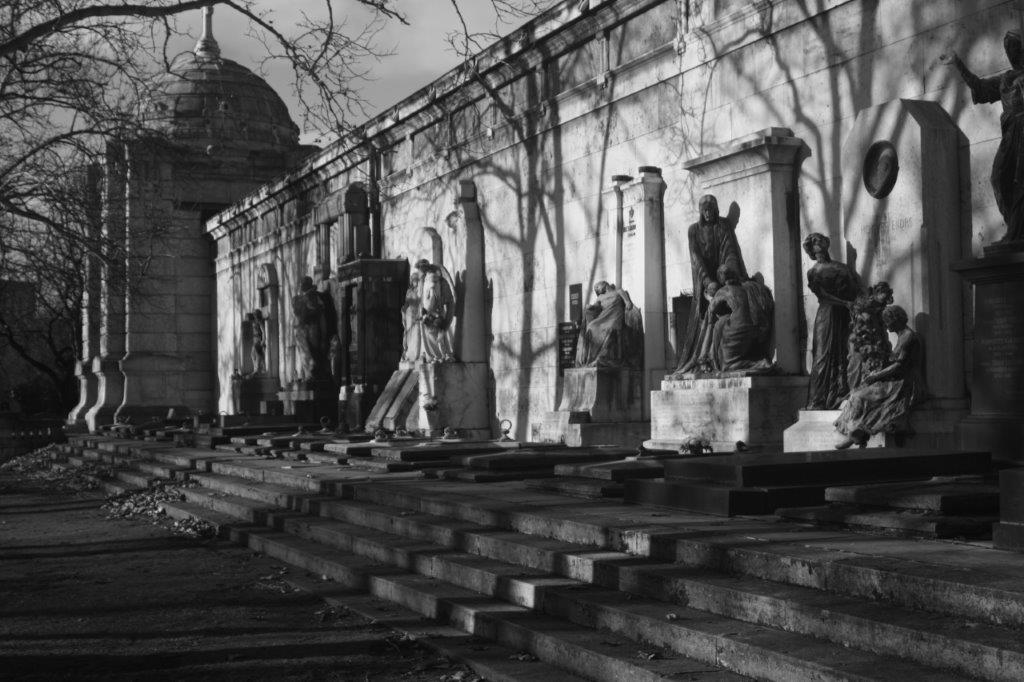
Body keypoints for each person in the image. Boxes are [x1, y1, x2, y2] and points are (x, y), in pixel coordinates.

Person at [943, 32, 1024, 242]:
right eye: (1009, 50)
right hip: (1011, 136)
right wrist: (958, 63)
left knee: (1021, 182)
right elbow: (979, 87)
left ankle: (1016, 234)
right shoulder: (1005, 80)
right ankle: (1015, 230)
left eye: (1015, 48)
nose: (1012, 53)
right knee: (998, 178)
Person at [673, 194, 749, 375]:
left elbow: (730, 251)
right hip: (705, 281)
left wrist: (728, 272)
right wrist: (708, 281)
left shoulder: (723, 226)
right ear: (701, 212)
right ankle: (702, 357)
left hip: (723, 277)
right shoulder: (693, 230)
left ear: (716, 209)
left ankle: (713, 357)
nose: (708, 213)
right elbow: (696, 259)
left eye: (710, 210)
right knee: (705, 316)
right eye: (704, 210)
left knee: (721, 313)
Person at [834, 305, 928, 448]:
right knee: (856, 394)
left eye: (887, 321)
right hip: (896, 379)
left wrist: (876, 376)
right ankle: (854, 433)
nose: (886, 326)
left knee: (861, 397)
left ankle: (856, 435)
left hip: (905, 383)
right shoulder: (902, 336)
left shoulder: (908, 337)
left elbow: (899, 366)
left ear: (895, 320)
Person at [803, 233, 862, 408]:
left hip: (843, 314)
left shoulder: (841, 268)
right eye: (814, 243)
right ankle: (817, 400)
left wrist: (851, 305)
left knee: (841, 354)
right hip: (826, 313)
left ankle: (837, 395)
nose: (818, 244)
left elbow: (854, 289)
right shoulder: (813, 272)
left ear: (827, 244)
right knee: (822, 354)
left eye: (820, 241)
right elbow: (822, 295)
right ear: (811, 251)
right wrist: (845, 303)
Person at [688, 264, 773, 373]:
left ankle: (761, 364)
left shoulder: (724, 291)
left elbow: (712, 310)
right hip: (756, 328)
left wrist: (709, 299)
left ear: (721, 280)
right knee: (723, 324)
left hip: (738, 327)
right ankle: (757, 361)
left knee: (726, 366)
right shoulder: (750, 286)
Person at [574, 281, 642, 368]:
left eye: (597, 287)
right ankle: (592, 358)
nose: (596, 289)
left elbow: (627, 302)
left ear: (604, 284)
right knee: (591, 326)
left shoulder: (618, 291)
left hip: (615, 316)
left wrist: (627, 302)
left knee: (610, 328)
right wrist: (590, 307)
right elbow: (596, 306)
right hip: (603, 317)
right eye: (595, 289)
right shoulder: (600, 297)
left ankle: (603, 357)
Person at [292, 275, 329, 383]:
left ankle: (313, 375)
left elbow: (319, 314)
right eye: (301, 284)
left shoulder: (312, 297)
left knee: (311, 353)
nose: (300, 286)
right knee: (306, 354)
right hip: (303, 329)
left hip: (311, 327)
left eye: (302, 284)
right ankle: (310, 375)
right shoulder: (300, 298)